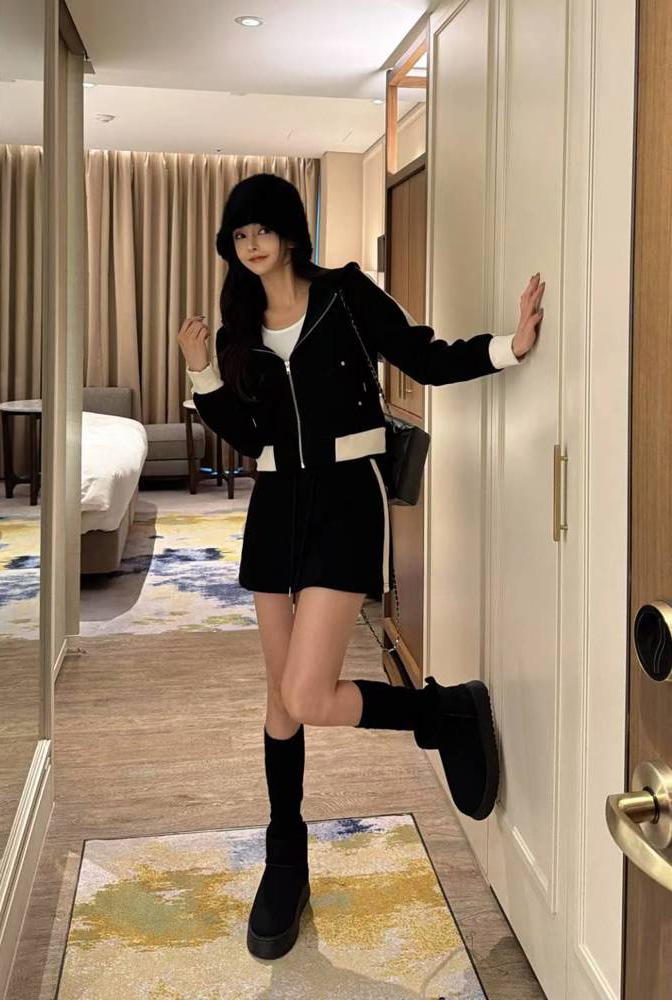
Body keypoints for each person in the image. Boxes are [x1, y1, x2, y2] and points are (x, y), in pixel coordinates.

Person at [177, 172, 544, 961]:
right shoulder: (241, 327)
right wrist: (203, 371)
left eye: (262, 228)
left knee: (309, 694)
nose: (252, 243)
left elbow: (422, 357)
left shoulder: (344, 294)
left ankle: (442, 716)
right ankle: (285, 855)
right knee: (280, 699)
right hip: (275, 508)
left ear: (289, 231)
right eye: (239, 235)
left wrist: (507, 348)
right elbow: (249, 436)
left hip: (346, 499)